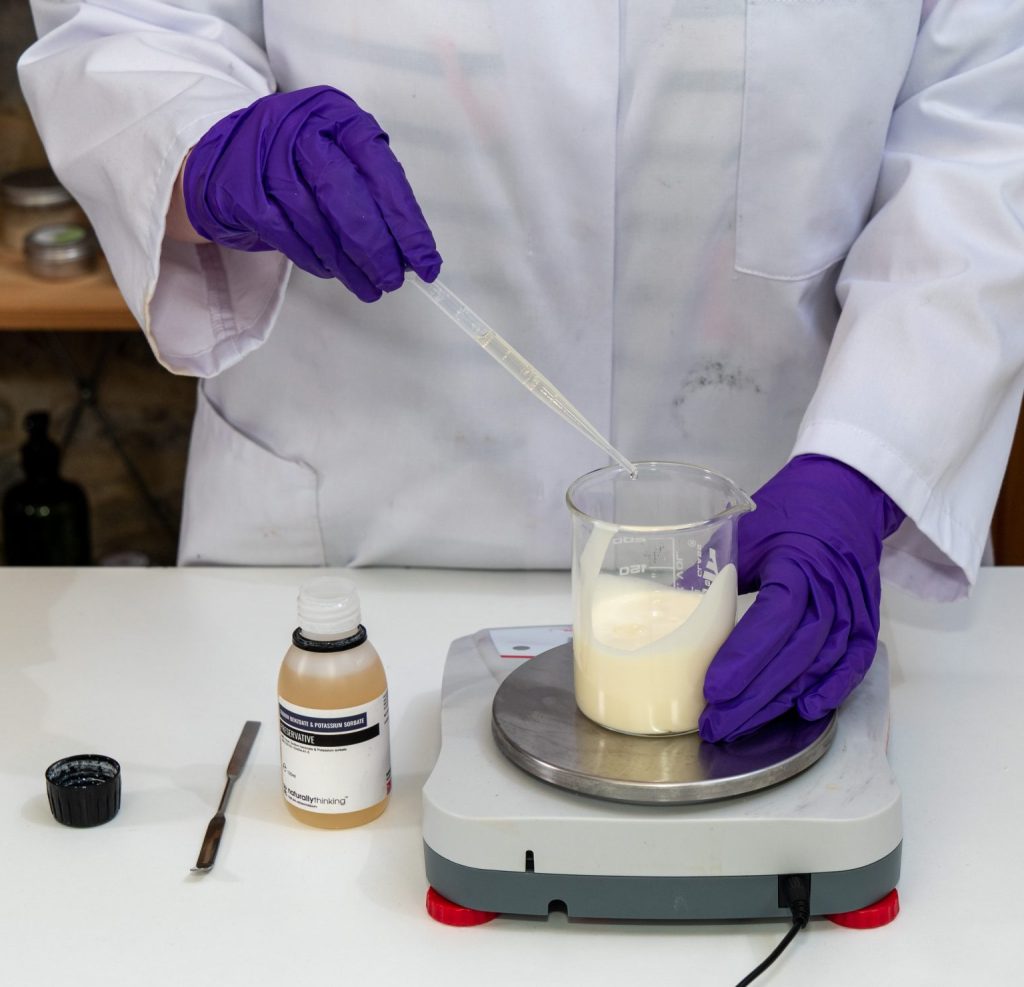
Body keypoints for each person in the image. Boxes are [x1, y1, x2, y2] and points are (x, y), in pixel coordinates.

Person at [18, 1, 1024, 741]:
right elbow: (127, 23)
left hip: (777, 570)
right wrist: (203, 144)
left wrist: (868, 461)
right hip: (352, 564)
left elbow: (987, 143)